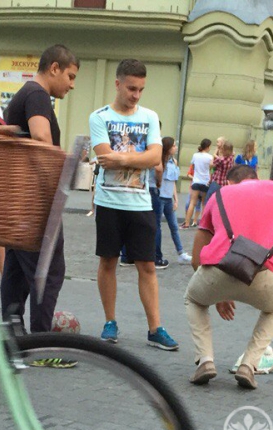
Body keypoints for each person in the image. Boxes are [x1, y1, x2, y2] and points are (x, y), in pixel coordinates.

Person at [184, 165, 273, 390]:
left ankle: (205, 360)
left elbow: (197, 259)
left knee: (194, 300)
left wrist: (219, 294)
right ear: (257, 178)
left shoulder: (218, 195)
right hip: (261, 273)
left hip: (217, 269)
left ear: (230, 183)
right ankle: (248, 364)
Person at [89, 58, 178, 351]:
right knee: (108, 261)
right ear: (118, 84)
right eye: (131, 89)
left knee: (147, 266)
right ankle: (110, 321)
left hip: (140, 204)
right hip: (108, 201)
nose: (136, 95)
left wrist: (123, 158)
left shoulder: (150, 117)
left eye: (141, 90)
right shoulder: (99, 117)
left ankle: (155, 328)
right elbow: (104, 157)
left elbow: (154, 158)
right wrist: (138, 158)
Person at [1, 44, 80, 340]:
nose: (72, 85)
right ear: (54, 68)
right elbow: (41, 136)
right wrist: (63, 166)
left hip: (19, 197)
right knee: (49, 270)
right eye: (70, 76)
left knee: (17, 267)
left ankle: (12, 330)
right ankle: (42, 341)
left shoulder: (27, 93)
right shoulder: (37, 94)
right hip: (34, 200)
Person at [157, 137, 192, 265]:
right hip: (159, 197)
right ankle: (155, 254)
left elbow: (172, 183)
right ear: (167, 147)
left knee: (174, 226)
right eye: (173, 146)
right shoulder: (159, 161)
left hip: (168, 199)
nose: (176, 148)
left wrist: (176, 199)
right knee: (156, 227)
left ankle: (181, 253)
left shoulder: (174, 162)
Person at [182, 138, 212, 228]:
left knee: (192, 203)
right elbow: (211, 167)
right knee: (204, 204)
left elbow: (193, 164)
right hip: (205, 181)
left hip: (196, 181)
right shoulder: (210, 157)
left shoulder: (195, 155)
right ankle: (203, 224)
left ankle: (187, 223)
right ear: (208, 147)